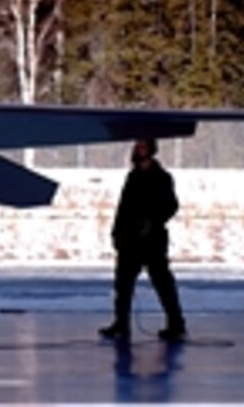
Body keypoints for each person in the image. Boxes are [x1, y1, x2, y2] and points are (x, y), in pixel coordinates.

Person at [99, 138, 187, 342]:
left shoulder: (162, 177)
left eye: (143, 146)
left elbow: (171, 205)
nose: (139, 149)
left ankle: (176, 323)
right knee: (123, 284)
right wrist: (117, 233)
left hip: (152, 240)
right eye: (137, 146)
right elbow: (123, 209)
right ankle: (121, 323)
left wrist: (152, 222)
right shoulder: (132, 177)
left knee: (162, 283)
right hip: (129, 240)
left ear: (151, 150)